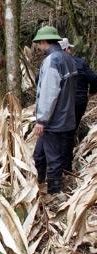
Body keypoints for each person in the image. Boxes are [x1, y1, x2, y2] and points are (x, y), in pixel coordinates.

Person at [32, 26, 78, 194]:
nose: (38, 47)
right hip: (66, 118)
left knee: (53, 159)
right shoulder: (68, 58)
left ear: (44, 42)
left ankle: (53, 193)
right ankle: (40, 185)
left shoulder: (52, 60)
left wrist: (42, 120)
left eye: (38, 43)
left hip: (53, 121)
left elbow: (49, 93)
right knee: (39, 155)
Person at [59, 37, 97, 172]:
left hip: (61, 103)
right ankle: (66, 167)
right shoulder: (80, 62)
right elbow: (94, 79)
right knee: (70, 131)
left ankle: (61, 165)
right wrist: (91, 92)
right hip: (79, 102)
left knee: (62, 132)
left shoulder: (53, 62)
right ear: (67, 49)